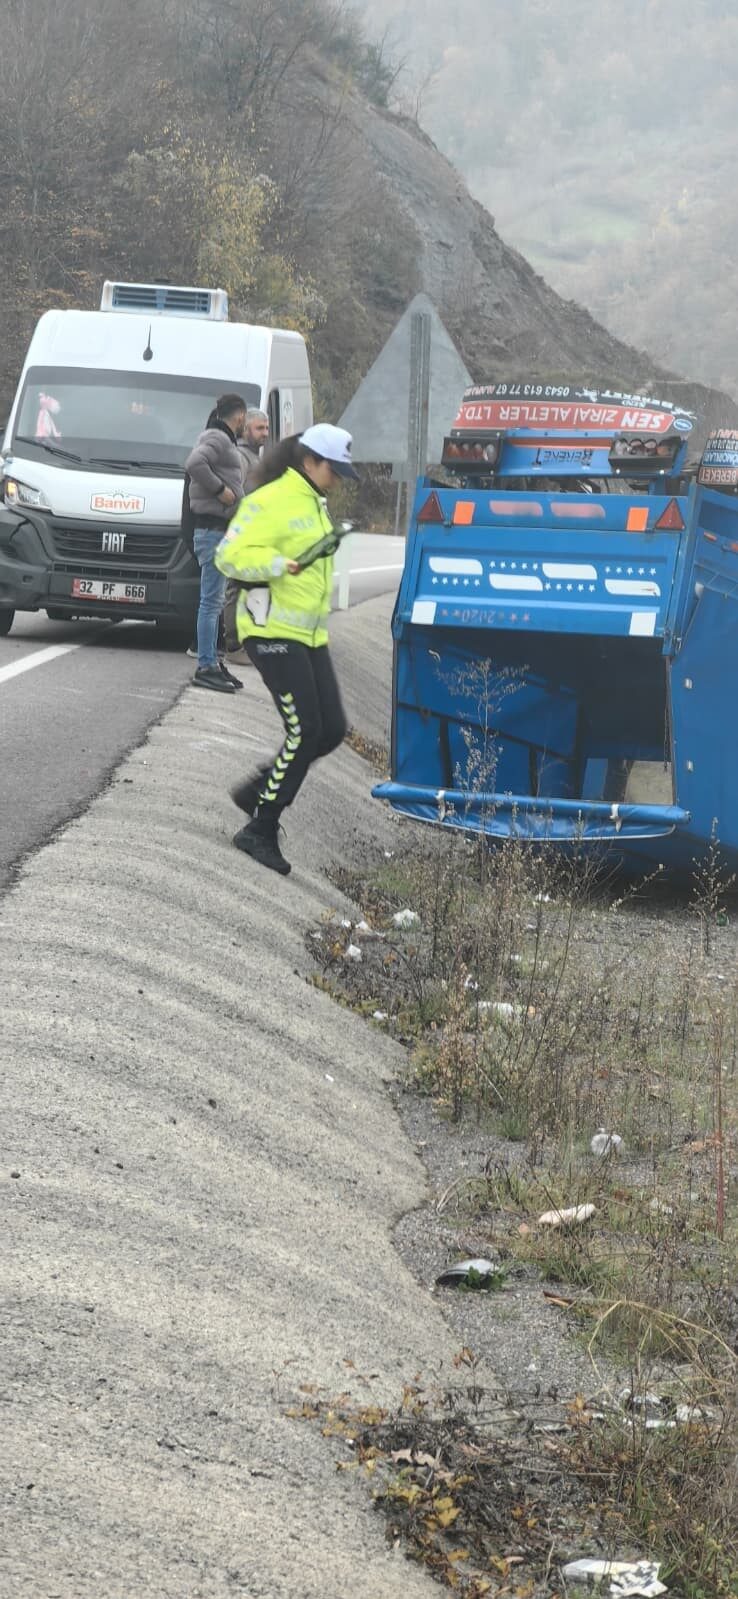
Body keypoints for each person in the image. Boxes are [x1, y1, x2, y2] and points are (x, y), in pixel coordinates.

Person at [214, 423, 358, 875]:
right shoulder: (270, 500)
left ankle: (259, 791)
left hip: (308, 636)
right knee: (305, 730)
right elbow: (228, 555)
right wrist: (278, 564)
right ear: (309, 461)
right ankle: (260, 826)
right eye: (333, 470)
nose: (336, 479)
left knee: (331, 728)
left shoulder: (316, 506)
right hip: (270, 629)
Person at [185, 394, 247, 693]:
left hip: (219, 530)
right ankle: (205, 665)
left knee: (215, 600)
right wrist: (221, 490)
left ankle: (213, 660)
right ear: (240, 417)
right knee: (210, 602)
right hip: (212, 530)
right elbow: (195, 463)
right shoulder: (218, 438)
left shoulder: (219, 437)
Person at [224, 407, 271, 661]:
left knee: (254, 587)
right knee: (235, 588)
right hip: (242, 535)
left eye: (266, 428)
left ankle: (249, 642)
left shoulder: (257, 458)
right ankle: (233, 646)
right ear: (246, 429)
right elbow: (235, 494)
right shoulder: (241, 458)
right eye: (259, 428)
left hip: (257, 537)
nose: (264, 433)